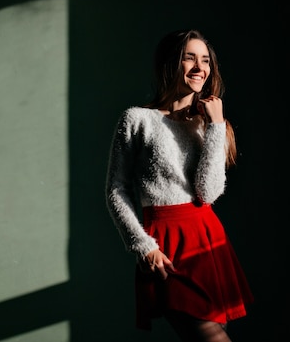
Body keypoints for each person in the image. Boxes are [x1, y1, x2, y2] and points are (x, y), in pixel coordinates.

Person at [105, 29, 253, 342]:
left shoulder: (209, 124)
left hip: (208, 238)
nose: (200, 67)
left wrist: (214, 125)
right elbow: (117, 189)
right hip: (165, 242)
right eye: (190, 58)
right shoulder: (137, 119)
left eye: (206, 61)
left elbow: (208, 193)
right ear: (171, 64)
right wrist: (143, 246)